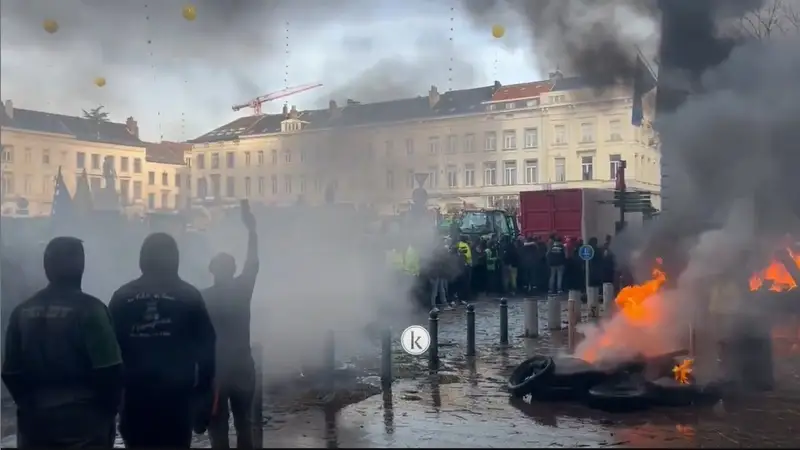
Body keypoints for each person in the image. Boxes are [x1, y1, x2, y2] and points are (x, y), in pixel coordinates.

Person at [2, 237, 123, 448]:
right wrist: (107, 414)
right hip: (84, 424)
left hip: (34, 424)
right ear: (81, 267)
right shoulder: (91, 310)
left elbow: (10, 372)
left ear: (46, 267)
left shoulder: (22, 312)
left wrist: (30, 405)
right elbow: (110, 371)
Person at [109, 232, 216, 448]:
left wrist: (113, 401)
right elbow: (207, 350)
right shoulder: (189, 296)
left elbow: (110, 353)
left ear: (142, 261)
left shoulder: (122, 297)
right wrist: (203, 397)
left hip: (136, 400)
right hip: (176, 400)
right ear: (175, 260)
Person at [204, 201, 261, 449]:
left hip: (216, 369)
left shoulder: (204, 297)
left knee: (217, 427)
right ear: (233, 269)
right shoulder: (242, 289)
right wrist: (252, 231)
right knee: (244, 422)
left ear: (212, 271)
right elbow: (254, 263)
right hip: (242, 365)